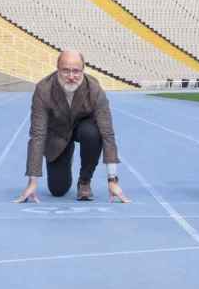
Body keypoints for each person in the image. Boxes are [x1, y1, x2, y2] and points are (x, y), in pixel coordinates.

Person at [14, 50, 130, 204]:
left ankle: (84, 181)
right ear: (57, 69)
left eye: (76, 71)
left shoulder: (94, 89)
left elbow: (107, 134)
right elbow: (37, 135)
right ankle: (65, 154)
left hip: (83, 128)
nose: (71, 76)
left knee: (93, 132)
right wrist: (32, 182)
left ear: (83, 70)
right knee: (58, 190)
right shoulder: (43, 89)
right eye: (65, 70)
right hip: (57, 134)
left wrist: (112, 180)